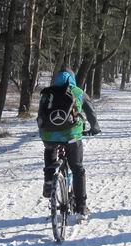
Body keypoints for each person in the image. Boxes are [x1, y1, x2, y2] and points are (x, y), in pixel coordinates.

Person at [37, 68, 101, 217]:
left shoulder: (47, 92)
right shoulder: (77, 92)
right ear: (72, 79)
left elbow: (41, 114)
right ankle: (81, 207)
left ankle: (48, 179)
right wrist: (95, 128)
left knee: (50, 150)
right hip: (71, 135)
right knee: (78, 169)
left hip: (48, 135)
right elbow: (90, 112)